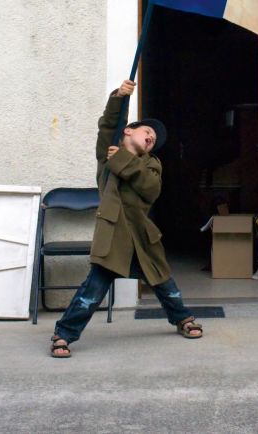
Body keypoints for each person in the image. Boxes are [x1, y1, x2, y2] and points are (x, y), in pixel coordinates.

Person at [50, 79, 202, 358]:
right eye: (147, 132)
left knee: (164, 283)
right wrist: (119, 98)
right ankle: (63, 334)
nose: (151, 138)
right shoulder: (106, 154)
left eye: (153, 141)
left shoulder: (151, 164)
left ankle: (183, 318)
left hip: (142, 236)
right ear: (128, 131)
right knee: (93, 290)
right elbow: (108, 125)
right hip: (113, 234)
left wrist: (123, 159)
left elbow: (150, 189)